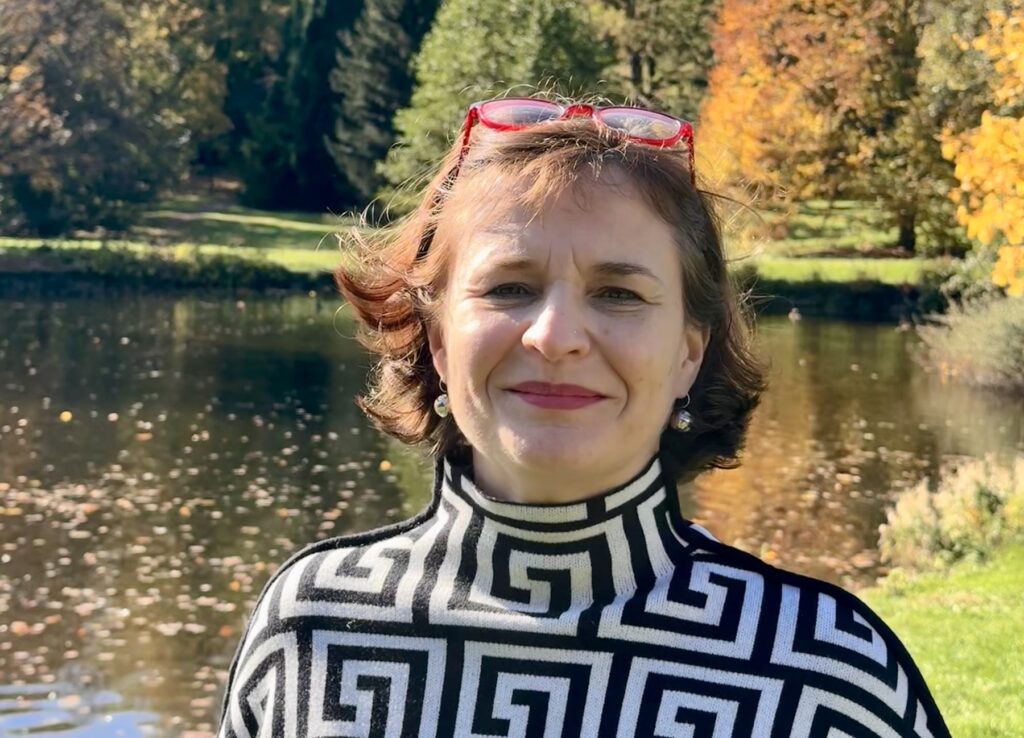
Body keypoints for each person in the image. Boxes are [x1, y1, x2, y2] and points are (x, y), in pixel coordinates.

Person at [216, 96, 950, 737]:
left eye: (619, 294)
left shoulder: (828, 676)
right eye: (508, 287)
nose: (555, 336)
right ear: (438, 339)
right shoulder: (313, 631)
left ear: (689, 353)